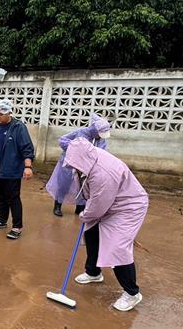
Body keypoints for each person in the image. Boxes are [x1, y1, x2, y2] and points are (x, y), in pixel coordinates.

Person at [64, 138, 148, 312]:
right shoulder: (87, 161)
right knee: (92, 234)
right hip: (108, 203)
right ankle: (94, 273)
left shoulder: (104, 173)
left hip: (127, 207)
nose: (74, 167)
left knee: (116, 248)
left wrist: (85, 214)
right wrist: (89, 212)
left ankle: (132, 293)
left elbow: (99, 205)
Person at [0, 98, 35, 239]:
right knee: (0, 196)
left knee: (13, 197)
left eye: (0, 114)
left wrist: (28, 166)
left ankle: (17, 226)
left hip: (10, 168)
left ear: (9, 113)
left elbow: (26, 147)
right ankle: (2, 220)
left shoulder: (18, 127)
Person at [46, 114, 111, 217]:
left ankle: (80, 207)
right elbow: (62, 140)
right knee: (64, 183)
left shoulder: (100, 140)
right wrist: (74, 147)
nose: (100, 136)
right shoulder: (81, 132)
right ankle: (57, 205)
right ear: (95, 130)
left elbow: (101, 151)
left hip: (85, 166)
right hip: (69, 163)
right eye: (100, 134)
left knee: (83, 186)